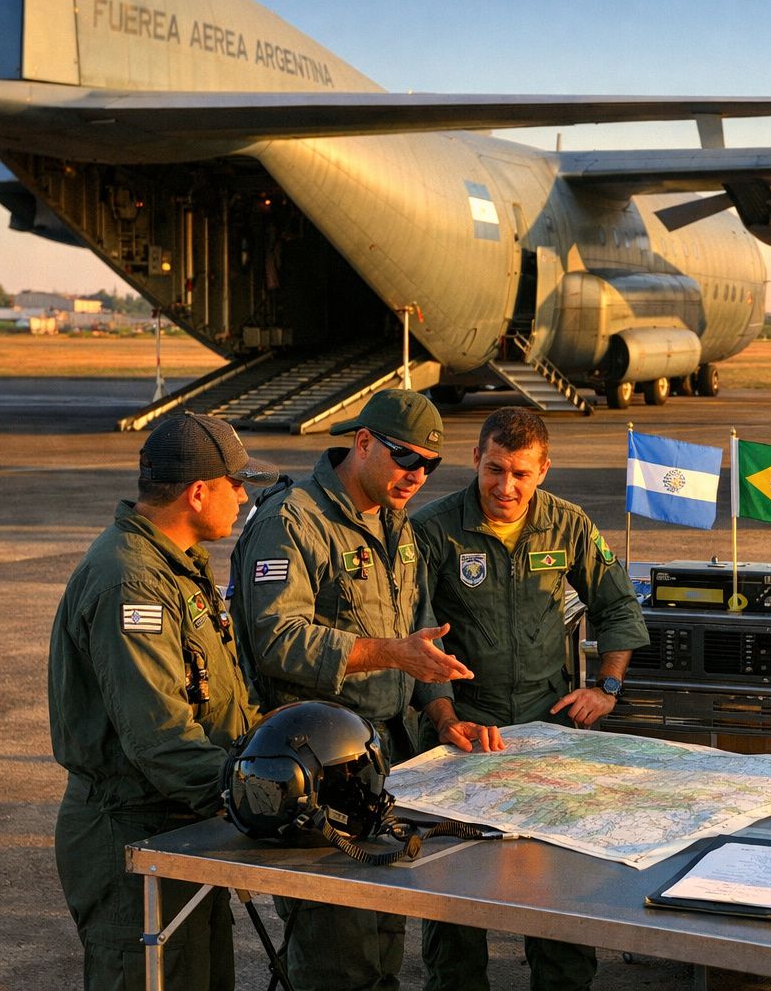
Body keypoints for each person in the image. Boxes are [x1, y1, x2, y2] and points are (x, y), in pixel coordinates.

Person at [230, 389, 473, 991]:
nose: (417, 476)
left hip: (385, 760)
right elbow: (276, 638)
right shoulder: (293, 519)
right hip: (320, 767)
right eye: (405, 458)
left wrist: (442, 717)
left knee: (385, 931)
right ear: (363, 442)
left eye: (430, 466)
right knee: (339, 945)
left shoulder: (397, 525)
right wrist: (392, 653)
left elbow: (417, 643)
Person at [411, 406, 648, 991]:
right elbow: (415, 631)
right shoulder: (432, 529)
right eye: (494, 469)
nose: (505, 487)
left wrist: (607, 688)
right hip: (466, 734)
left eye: (520, 473)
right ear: (476, 459)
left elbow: (618, 606)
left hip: (549, 732)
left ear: (544, 469)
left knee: (561, 885)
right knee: (455, 896)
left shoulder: (569, 526)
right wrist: (443, 717)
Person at [49, 412, 277, 990]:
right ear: (199, 492)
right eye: (237, 484)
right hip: (133, 832)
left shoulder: (176, 567)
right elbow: (160, 736)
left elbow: (213, 695)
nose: (244, 497)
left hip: (180, 826)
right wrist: (253, 795)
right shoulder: (132, 582)